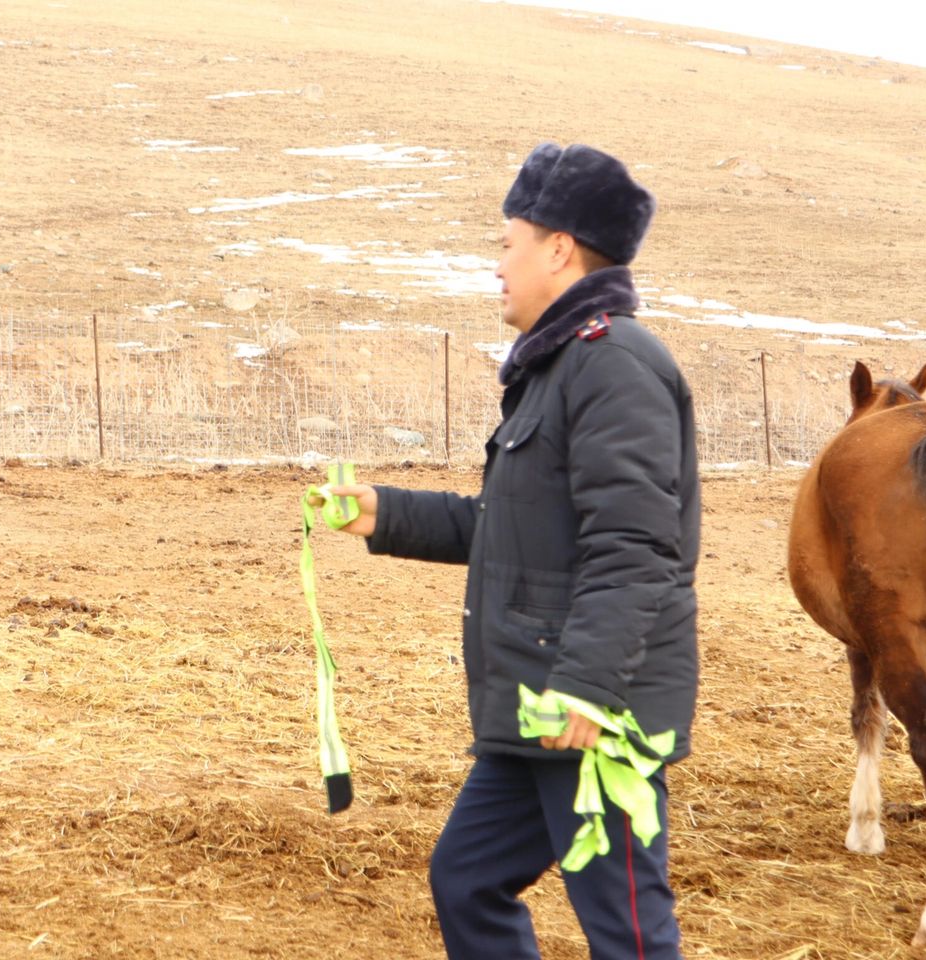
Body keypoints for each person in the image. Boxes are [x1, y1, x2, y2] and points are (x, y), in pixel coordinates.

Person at [321, 142, 699, 959]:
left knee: (628, 932)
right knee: (467, 879)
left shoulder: (613, 365)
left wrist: (588, 688)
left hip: (594, 713)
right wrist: (384, 513)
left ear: (558, 249)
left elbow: (636, 546)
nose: (497, 265)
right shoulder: (559, 367)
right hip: (539, 700)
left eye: (507, 243)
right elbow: (514, 529)